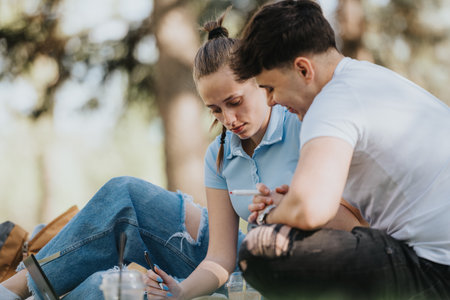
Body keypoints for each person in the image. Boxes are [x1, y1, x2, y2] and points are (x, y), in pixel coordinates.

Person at [0, 9, 365, 300]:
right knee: (105, 279)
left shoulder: (304, 123)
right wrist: (181, 292)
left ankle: (14, 288)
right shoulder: (220, 155)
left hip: (298, 268)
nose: (229, 119)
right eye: (216, 110)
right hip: (244, 263)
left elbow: (356, 223)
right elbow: (221, 258)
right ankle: (23, 291)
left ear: (260, 81)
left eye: (235, 102)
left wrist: (291, 205)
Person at [231, 0, 450, 299]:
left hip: (436, 268)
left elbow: (310, 210)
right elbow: (350, 220)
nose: (270, 101)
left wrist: (275, 215)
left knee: (261, 247)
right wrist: (290, 204)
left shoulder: (331, 102)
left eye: (270, 87)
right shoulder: (369, 79)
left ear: (303, 69)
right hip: (433, 258)